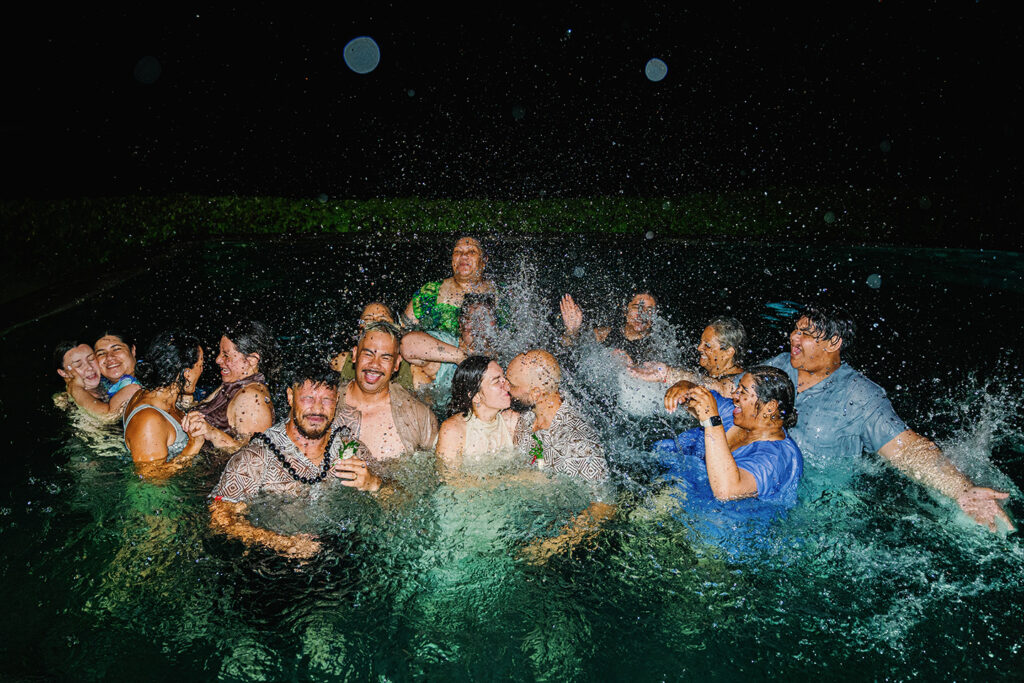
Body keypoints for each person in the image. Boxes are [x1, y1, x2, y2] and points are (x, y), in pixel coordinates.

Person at [762, 303, 1013, 532]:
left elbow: (908, 450)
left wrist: (962, 489)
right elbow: (735, 392)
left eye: (804, 333)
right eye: (795, 329)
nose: (793, 336)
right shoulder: (780, 367)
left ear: (833, 342)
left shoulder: (860, 395)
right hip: (765, 489)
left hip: (817, 515)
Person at [209, 359, 383, 559]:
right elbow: (219, 518)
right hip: (274, 562)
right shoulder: (257, 458)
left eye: (327, 399)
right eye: (308, 398)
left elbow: (399, 498)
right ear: (291, 397)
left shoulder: (349, 450)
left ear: (337, 401)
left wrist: (374, 483)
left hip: (341, 557)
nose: (317, 409)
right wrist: (282, 543)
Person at [506, 350, 616, 562]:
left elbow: (605, 506)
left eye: (511, 384)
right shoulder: (530, 414)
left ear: (536, 393)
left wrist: (551, 546)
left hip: (561, 538)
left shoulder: (577, 443)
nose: (506, 388)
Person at [658, 366, 803, 507]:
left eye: (743, 392)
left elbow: (727, 492)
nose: (734, 395)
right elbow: (699, 395)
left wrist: (712, 421)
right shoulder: (739, 417)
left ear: (770, 407)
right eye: (737, 388)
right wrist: (683, 386)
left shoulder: (776, 457)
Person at [333, 321, 438, 460]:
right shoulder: (325, 405)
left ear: (396, 364)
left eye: (385, 358)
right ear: (354, 355)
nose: (374, 364)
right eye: (368, 354)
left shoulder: (419, 417)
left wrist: (374, 482)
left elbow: (437, 476)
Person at [182, 320, 276, 453]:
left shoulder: (252, 399)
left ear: (252, 360)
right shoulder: (234, 386)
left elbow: (256, 456)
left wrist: (213, 434)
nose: (218, 360)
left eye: (226, 355)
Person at [123, 331, 207, 477]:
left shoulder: (150, 394)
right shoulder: (148, 420)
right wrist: (193, 446)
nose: (202, 370)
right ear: (186, 374)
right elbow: (150, 478)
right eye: (201, 365)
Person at [399, 293, 500, 412]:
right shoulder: (446, 345)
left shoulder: (502, 355)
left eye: (484, 318)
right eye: (470, 319)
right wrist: (461, 358)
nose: (477, 325)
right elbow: (407, 344)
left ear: (495, 324)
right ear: (460, 323)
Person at [435, 356, 528, 476]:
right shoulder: (453, 430)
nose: (507, 385)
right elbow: (450, 480)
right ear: (476, 396)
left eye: (504, 378)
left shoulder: (511, 420)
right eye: (496, 381)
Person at [403, 236, 498, 336]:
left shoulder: (500, 292)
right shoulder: (430, 292)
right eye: (457, 252)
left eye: (472, 251)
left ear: (484, 259)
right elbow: (404, 333)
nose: (464, 256)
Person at [631, 317, 747, 394]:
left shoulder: (740, 382)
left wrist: (669, 374)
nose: (699, 348)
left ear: (729, 352)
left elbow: (722, 388)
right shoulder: (707, 374)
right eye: (700, 342)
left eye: (707, 345)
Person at [559, 290, 664, 366]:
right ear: (625, 310)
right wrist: (572, 331)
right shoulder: (604, 334)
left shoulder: (656, 347)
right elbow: (567, 349)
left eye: (649, 310)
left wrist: (631, 367)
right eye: (637, 307)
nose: (642, 314)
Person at [330, 301, 414, 391]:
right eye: (368, 320)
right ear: (359, 330)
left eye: (383, 321)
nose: (376, 324)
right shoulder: (342, 362)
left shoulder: (413, 371)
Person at [62, 333, 143, 419]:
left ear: (133, 350)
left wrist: (76, 389)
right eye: (101, 354)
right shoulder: (105, 382)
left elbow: (107, 416)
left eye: (116, 349)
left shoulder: (134, 386)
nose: (109, 357)